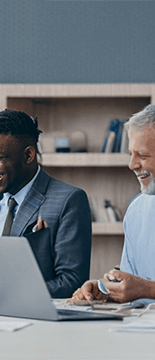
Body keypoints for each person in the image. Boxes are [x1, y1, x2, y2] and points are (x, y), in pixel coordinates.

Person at [0, 109, 92, 299]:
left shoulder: (69, 200)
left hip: (38, 322)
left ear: (28, 155)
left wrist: (5, 293)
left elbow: (72, 282)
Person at [72, 104, 155, 303]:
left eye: (143, 156)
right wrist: (105, 289)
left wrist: (148, 289)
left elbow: (143, 288)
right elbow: (133, 284)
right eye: (131, 154)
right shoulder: (137, 209)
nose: (132, 165)